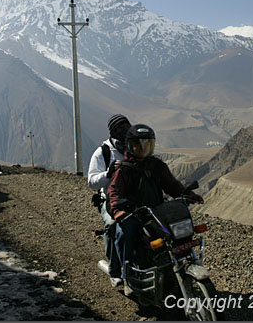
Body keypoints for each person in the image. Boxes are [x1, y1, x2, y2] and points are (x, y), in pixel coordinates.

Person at [107, 124, 203, 296]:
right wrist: (119, 210)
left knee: (178, 235)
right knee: (124, 234)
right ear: (129, 145)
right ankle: (127, 277)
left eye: (147, 144)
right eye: (138, 145)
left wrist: (187, 194)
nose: (143, 149)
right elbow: (113, 193)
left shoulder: (157, 165)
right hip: (135, 213)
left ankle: (181, 268)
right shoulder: (124, 169)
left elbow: (172, 185)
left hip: (158, 212)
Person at [87, 114, 132, 287]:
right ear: (112, 132)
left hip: (135, 198)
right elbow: (91, 182)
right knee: (113, 225)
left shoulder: (135, 147)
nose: (124, 132)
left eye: (126, 127)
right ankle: (115, 271)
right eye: (119, 129)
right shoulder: (103, 152)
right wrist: (107, 174)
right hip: (110, 200)